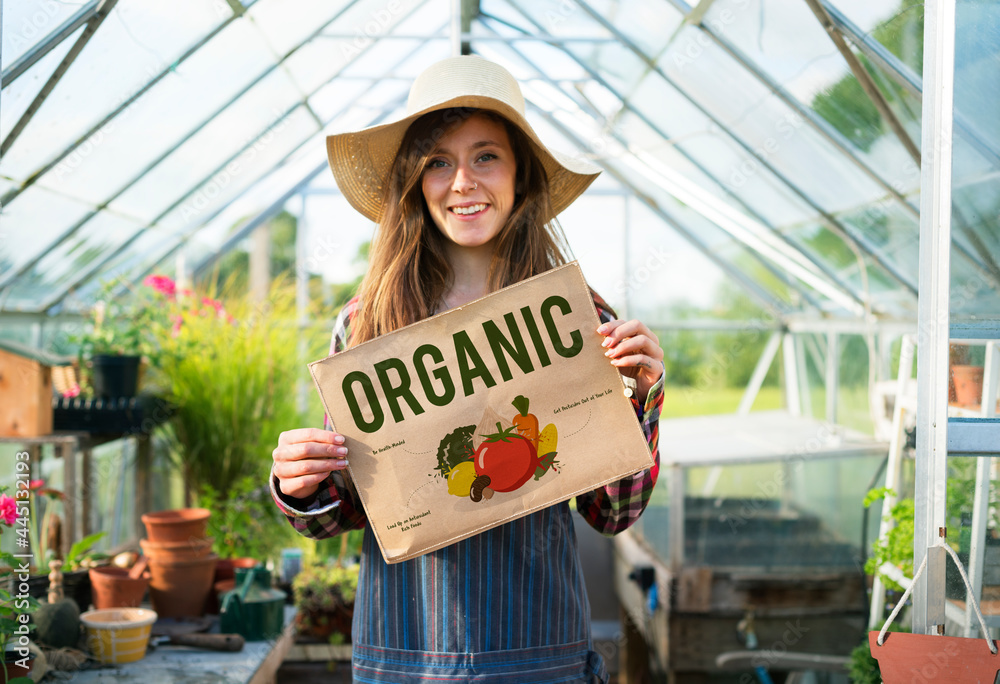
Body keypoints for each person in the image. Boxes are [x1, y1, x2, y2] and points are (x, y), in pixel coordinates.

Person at [270, 55, 664, 683]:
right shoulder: (367, 323)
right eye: (438, 162)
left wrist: (641, 399)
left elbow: (610, 513)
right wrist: (300, 481)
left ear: (520, 176)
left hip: (539, 651)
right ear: (414, 181)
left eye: (486, 156)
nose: (462, 182)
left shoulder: (579, 320)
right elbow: (346, 507)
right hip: (406, 651)